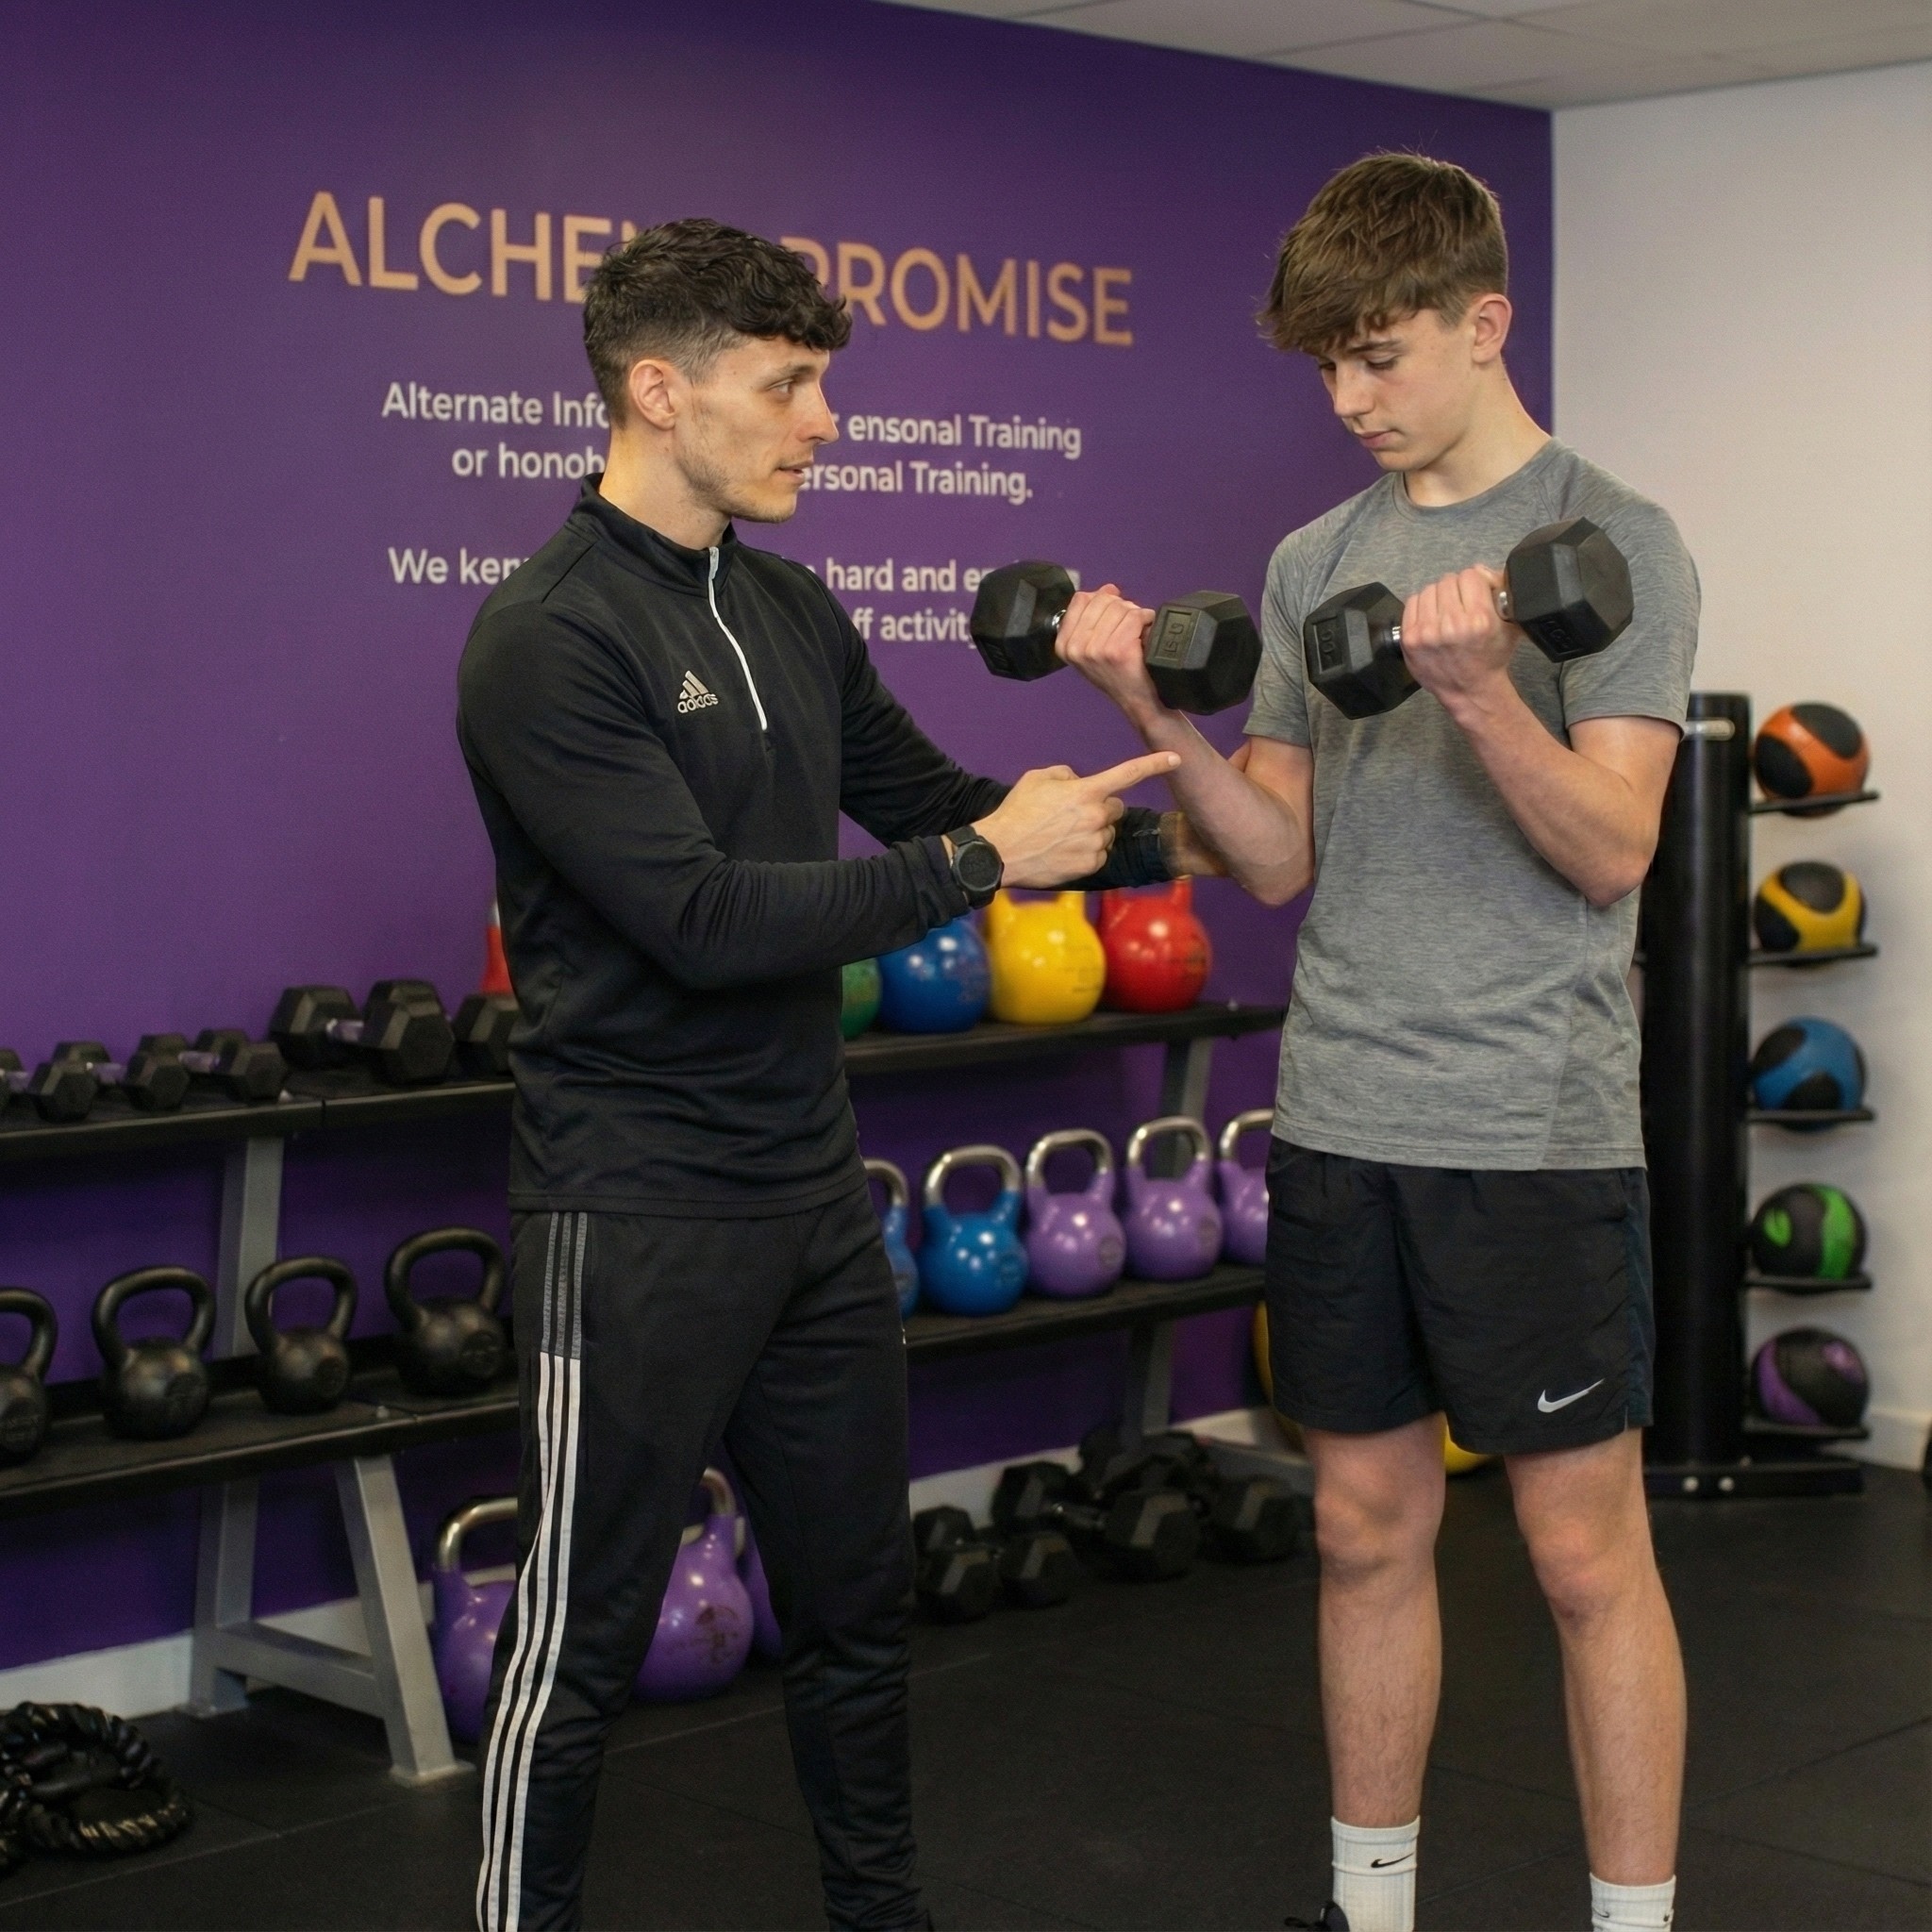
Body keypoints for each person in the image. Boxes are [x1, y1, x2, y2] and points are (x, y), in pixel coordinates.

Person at [455, 216, 1200, 1932]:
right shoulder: (546, 636)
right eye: (784, 387)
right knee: (576, 1642)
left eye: (820, 387)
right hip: (635, 1215)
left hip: (807, 1196)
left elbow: (942, 807)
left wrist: (1192, 839)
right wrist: (983, 866)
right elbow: (708, 920)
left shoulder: (787, 605)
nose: (821, 423)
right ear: (659, 391)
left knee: (857, 1614)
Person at [1055, 154, 1696, 1932]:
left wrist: (1486, 692)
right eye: (1327, 366)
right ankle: (1372, 1908)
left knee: (1582, 1560)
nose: (1350, 400)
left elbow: (1613, 853)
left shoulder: (1617, 538)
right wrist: (1148, 715)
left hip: (1534, 1128)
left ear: (1486, 326)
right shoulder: (1312, 560)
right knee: (1359, 1532)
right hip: (1343, 1112)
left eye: (1382, 356)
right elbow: (1273, 860)